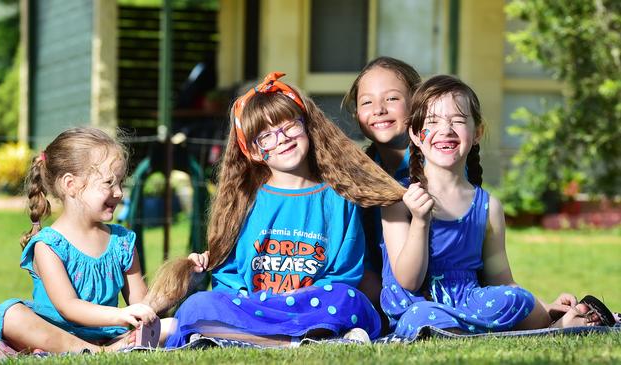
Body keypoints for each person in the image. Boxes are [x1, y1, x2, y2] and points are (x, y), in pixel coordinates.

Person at [144, 72, 407, 348]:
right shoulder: (244, 199)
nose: (281, 138)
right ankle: (292, 341)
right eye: (265, 136)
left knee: (349, 301)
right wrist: (250, 298)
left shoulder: (340, 197)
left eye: (289, 125)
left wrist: (304, 297)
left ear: (307, 125)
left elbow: (346, 270)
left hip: (313, 306)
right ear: (254, 152)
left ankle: (241, 338)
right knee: (199, 305)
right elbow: (227, 274)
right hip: (255, 307)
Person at [380, 74, 617, 339]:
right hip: (417, 305)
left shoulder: (488, 206)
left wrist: (545, 306)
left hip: (470, 302)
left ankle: (554, 323)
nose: (445, 129)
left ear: (477, 132)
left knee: (514, 298)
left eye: (458, 120)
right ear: (415, 133)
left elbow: (501, 279)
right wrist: (420, 221)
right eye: (432, 122)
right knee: (421, 316)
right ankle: (519, 330)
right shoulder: (398, 200)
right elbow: (408, 281)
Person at [0, 127, 166, 356]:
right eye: (109, 183)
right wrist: (119, 315)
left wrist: (181, 279)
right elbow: (68, 306)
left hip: (108, 332)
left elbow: (142, 303)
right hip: (56, 331)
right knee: (11, 315)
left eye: (121, 182)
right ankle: (97, 352)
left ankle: (105, 348)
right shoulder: (49, 245)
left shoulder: (122, 241)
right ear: (70, 185)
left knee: (170, 325)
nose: (119, 192)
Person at [341, 57, 421, 325]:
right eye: (367, 102)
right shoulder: (359, 176)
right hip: (379, 290)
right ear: (356, 116)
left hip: (434, 286)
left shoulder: (441, 167)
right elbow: (360, 255)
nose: (379, 109)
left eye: (392, 99)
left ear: (417, 104)